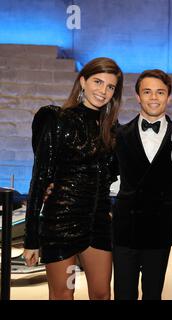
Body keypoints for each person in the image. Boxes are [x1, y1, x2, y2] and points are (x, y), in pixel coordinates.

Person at [23, 57, 124, 300]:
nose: (103, 91)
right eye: (98, 82)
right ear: (82, 81)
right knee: (64, 294)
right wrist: (31, 238)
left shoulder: (112, 129)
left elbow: (115, 176)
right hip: (61, 225)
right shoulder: (57, 120)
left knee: (101, 294)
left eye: (110, 87)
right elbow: (39, 179)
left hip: (98, 224)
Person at [112, 69, 172, 300]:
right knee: (124, 294)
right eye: (147, 92)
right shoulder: (119, 134)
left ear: (169, 97)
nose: (154, 97)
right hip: (125, 229)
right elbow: (105, 176)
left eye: (160, 92)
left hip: (159, 230)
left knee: (153, 295)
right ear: (138, 96)